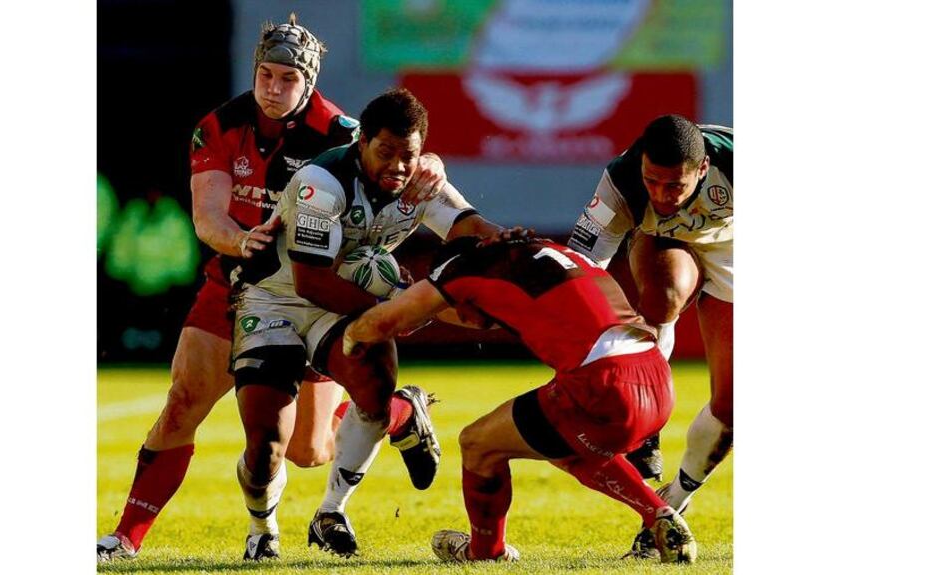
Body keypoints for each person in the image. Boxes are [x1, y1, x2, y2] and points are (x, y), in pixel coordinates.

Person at [96, 15, 448, 562]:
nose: (273, 88)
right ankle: (126, 537)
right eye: (266, 74)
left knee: (310, 450)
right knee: (183, 402)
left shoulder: (341, 131)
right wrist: (241, 242)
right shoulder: (219, 126)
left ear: (309, 82)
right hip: (237, 281)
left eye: (288, 78)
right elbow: (208, 217)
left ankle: (399, 412)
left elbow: (400, 155)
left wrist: (429, 164)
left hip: (311, 291)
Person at [230, 88, 511, 560]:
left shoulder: (422, 181)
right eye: (386, 152)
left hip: (340, 304)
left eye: (409, 155)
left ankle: (331, 512)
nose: (398, 166)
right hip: (275, 298)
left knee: (375, 386)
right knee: (267, 446)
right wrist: (400, 306)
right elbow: (310, 282)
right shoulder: (322, 182)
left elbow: (471, 229)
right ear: (362, 142)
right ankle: (262, 527)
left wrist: (520, 249)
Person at [341, 236, 698, 564]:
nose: (461, 316)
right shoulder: (533, 251)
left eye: (457, 305)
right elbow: (484, 310)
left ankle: (486, 553)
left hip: (604, 383)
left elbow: (381, 324)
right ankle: (660, 515)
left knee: (478, 444)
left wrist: (347, 339)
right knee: (564, 448)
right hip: (656, 377)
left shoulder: (461, 269)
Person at [566, 114, 732, 557]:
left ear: (703, 169)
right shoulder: (621, 183)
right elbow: (582, 266)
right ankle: (649, 421)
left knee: (733, 407)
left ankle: (673, 502)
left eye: (674, 186)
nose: (660, 195)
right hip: (664, 243)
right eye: (651, 181)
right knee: (663, 296)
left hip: (735, 249)